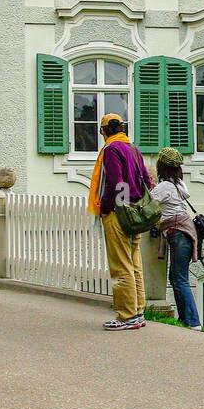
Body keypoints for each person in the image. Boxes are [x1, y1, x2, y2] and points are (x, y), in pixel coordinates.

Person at [87, 112, 152, 330]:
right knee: (134, 264)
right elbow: (147, 179)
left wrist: (107, 207)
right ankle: (138, 310)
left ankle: (126, 315)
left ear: (104, 131)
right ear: (122, 129)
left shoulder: (112, 149)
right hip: (136, 212)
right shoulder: (133, 148)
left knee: (120, 266)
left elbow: (115, 183)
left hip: (119, 213)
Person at [150, 148, 201, 328]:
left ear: (161, 166)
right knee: (175, 277)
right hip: (186, 231)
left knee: (180, 279)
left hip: (179, 233)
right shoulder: (179, 184)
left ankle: (193, 322)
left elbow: (149, 203)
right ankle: (184, 319)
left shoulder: (165, 186)